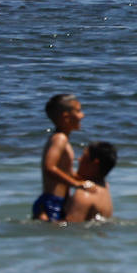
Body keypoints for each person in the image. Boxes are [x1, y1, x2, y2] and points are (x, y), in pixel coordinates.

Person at [33, 93, 94, 221]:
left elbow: (66, 171)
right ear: (66, 117)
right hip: (51, 202)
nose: (83, 115)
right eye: (78, 111)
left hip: (59, 201)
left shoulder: (64, 139)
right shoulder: (59, 139)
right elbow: (49, 168)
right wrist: (76, 184)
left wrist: (83, 180)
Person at [63, 141, 117, 223]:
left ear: (95, 163)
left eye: (83, 156)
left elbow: (70, 229)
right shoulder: (105, 187)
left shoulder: (84, 195)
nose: (79, 159)